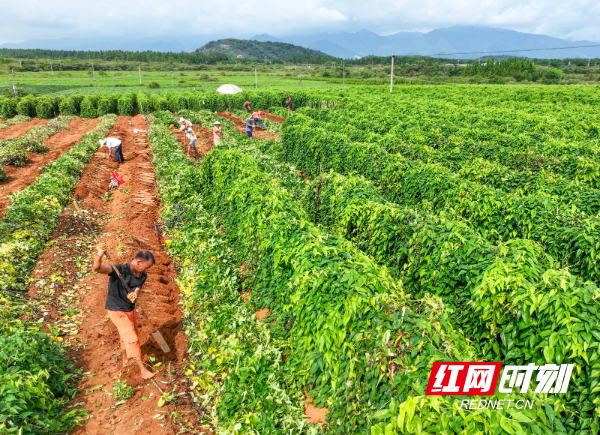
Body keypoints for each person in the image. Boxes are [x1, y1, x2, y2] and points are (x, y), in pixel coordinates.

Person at [92, 245, 156, 380]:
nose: (146, 270)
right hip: (116, 310)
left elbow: (137, 287)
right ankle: (143, 371)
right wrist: (99, 255)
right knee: (132, 338)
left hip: (130, 309)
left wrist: (135, 294)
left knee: (125, 335)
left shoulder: (142, 274)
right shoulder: (119, 269)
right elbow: (97, 269)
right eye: (146, 266)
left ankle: (125, 359)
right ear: (139, 262)